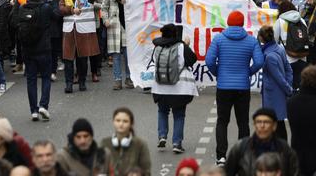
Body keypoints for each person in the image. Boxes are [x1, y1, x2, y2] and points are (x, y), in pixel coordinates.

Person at [206, 11, 264, 165]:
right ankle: (243, 154)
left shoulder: (218, 39)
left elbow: (209, 60)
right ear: (242, 23)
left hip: (224, 86)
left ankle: (221, 156)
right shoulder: (251, 41)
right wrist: (248, 72)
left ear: (228, 22)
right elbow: (259, 61)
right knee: (243, 122)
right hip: (242, 87)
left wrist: (217, 72)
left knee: (222, 121)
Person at [151, 24, 198, 154]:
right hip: (179, 88)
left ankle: (162, 136)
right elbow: (192, 60)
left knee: (162, 111)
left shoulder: (158, 48)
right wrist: (187, 45)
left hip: (160, 87)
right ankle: (177, 143)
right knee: (179, 115)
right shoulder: (182, 47)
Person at [59, 0, 102, 93]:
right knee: (68, 59)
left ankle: (82, 81)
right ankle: (68, 83)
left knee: (82, 58)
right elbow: (60, 8)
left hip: (84, 30)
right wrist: (71, 10)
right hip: (69, 30)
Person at [15, 0, 53, 121]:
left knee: (31, 80)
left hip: (28, 49)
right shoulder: (46, 8)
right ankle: (43, 105)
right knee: (46, 78)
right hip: (44, 49)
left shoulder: (22, 8)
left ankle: (33, 111)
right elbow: (55, 16)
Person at [224, 108, 299, 176]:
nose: (262, 126)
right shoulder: (241, 147)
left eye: (266, 122)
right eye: (258, 122)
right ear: (254, 124)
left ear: (274, 126)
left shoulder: (284, 149)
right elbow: (227, 172)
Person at [101, 0, 135, 90]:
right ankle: (117, 79)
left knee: (127, 54)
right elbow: (104, 7)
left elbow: (135, 6)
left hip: (127, 25)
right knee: (115, 54)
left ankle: (129, 78)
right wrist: (105, 20)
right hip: (114, 25)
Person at [258, 26, 292, 141]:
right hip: (279, 92)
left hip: (273, 94)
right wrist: (289, 84)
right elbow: (288, 69)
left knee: (276, 123)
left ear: (262, 38)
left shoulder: (269, 57)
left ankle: (279, 149)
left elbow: (278, 77)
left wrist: (288, 89)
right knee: (278, 122)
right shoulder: (279, 48)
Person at [101, 107, 151, 175]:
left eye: (125, 121)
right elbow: (99, 168)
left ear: (131, 124)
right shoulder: (105, 143)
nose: (121, 124)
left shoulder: (140, 144)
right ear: (113, 121)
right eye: (118, 120)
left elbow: (147, 171)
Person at [273, 1, 308, 88]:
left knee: (289, 87)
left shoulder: (280, 21)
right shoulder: (302, 20)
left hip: (287, 59)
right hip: (303, 57)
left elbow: (274, 40)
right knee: (300, 86)